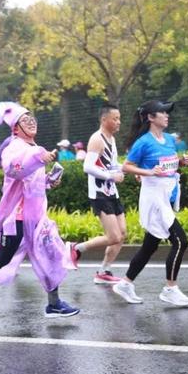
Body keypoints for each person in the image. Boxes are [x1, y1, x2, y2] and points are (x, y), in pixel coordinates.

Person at [0, 102, 79, 319]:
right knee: (4, 256)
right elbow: (14, 169)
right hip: (16, 216)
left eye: (32, 118)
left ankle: (54, 304)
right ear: (15, 129)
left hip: (36, 216)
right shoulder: (14, 147)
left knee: (49, 253)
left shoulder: (33, 148)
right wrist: (39, 156)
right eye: (25, 120)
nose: (31, 121)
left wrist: (48, 181)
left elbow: (33, 182)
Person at [112, 100, 188, 306]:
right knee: (180, 241)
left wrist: (181, 162)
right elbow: (127, 167)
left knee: (150, 245)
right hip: (154, 197)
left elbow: (169, 163)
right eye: (163, 112)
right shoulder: (143, 142)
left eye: (167, 112)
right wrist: (148, 172)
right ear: (150, 117)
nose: (167, 115)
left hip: (166, 195)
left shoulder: (168, 139)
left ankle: (125, 283)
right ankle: (170, 289)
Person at [71, 104, 125, 284]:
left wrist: (132, 171)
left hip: (111, 192)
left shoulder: (111, 139)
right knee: (113, 237)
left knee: (122, 233)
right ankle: (76, 249)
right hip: (99, 194)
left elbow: (113, 163)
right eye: (115, 119)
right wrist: (111, 175)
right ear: (104, 120)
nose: (118, 122)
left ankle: (104, 271)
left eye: (119, 118)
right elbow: (87, 166)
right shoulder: (97, 139)